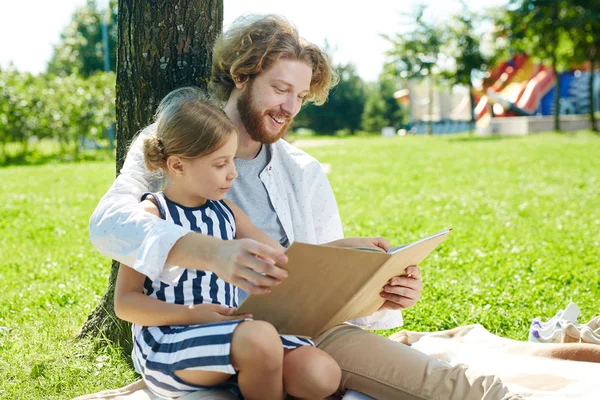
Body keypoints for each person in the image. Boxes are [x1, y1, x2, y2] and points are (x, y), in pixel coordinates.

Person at [90, 14, 518, 399]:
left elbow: (316, 278)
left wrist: (381, 290)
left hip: (301, 333)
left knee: (444, 384)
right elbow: (109, 224)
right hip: (204, 334)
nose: (290, 108)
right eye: (280, 89)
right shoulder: (176, 141)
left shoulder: (303, 171)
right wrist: (211, 252)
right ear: (241, 76)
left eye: (300, 95)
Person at [114, 93, 342, 399]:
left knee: (320, 374)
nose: (233, 173)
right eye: (221, 164)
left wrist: (348, 250)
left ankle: (249, 374)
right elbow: (125, 304)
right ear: (178, 166)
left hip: (228, 332)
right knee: (260, 339)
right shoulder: (151, 215)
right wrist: (197, 315)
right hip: (169, 341)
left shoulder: (227, 212)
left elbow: (284, 258)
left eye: (231, 161)